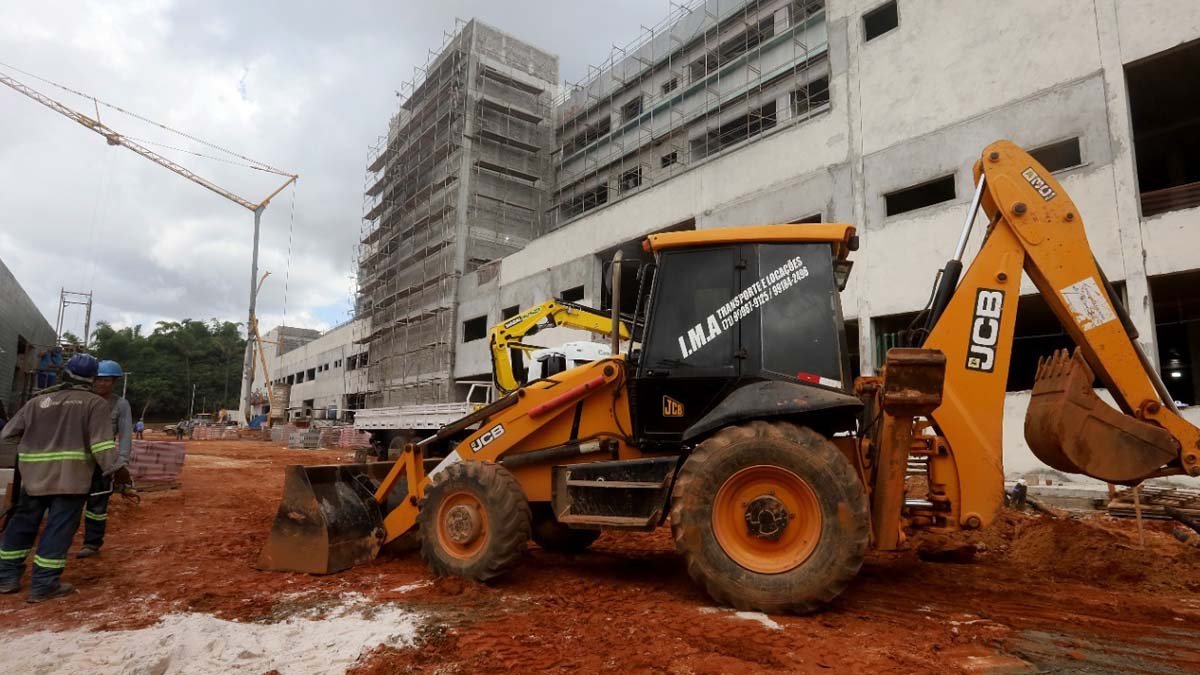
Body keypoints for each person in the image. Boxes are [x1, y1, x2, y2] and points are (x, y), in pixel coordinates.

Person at [0, 354, 128, 603]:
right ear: (93, 378)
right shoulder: (94, 404)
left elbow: (7, 434)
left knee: (22, 525)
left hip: (33, 478)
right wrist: (118, 472)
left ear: (65, 373)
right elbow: (101, 447)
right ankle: (44, 584)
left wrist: (32, 449)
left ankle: (6, 577)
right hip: (71, 478)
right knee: (58, 528)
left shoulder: (38, 401)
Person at [77, 360, 133, 559]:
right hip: (78, 459)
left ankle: (91, 543)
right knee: (72, 501)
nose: (101, 384)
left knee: (97, 504)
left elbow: (126, 434)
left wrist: (122, 462)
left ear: (114, 382)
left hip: (103, 460)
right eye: (98, 380)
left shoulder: (120, 404)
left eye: (106, 380)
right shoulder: (84, 399)